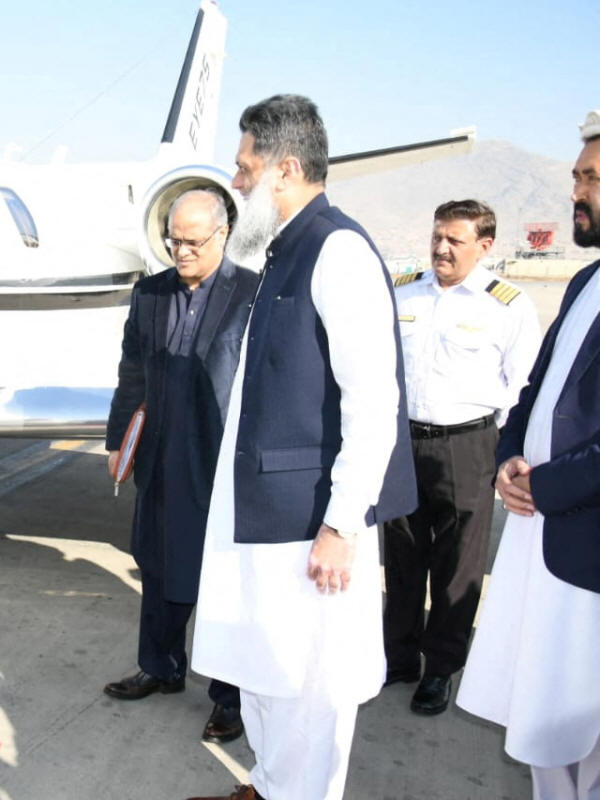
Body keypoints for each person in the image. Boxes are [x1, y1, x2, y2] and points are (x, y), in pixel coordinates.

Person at [186, 95, 417, 800]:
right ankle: (267, 786)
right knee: (265, 673)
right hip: (265, 517)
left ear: (285, 169)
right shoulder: (283, 252)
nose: (236, 181)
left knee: (310, 691)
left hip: (310, 526)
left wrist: (341, 525)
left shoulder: (337, 250)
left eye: (244, 167)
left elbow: (373, 402)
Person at [457, 112, 600, 800]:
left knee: (585, 723)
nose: (576, 191)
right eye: (576, 176)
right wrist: (511, 454)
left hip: (584, 541)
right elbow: (538, 388)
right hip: (539, 528)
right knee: (541, 709)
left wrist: (548, 485)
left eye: (591, 178)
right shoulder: (584, 282)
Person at [104, 189, 257, 743]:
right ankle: (160, 666)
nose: (181, 251)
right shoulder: (149, 294)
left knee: (222, 581)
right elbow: (131, 372)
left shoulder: (251, 294)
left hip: (220, 462)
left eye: (193, 241)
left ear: (222, 234)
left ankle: (229, 697)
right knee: (158, 564)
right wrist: (119, 441)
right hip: (160, 455)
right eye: (173, 241)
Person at [382, 200, 540, 716]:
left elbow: (522, 387)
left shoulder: (507, 305)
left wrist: (503, 449)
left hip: (468, 444)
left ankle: (441, 668)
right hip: (404, 442)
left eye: (455, 240)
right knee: (402, 555)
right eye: (437, 237)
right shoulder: (404, 290)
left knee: (458, 565)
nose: (441, 248)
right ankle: (398, 657)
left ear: (485, 246)